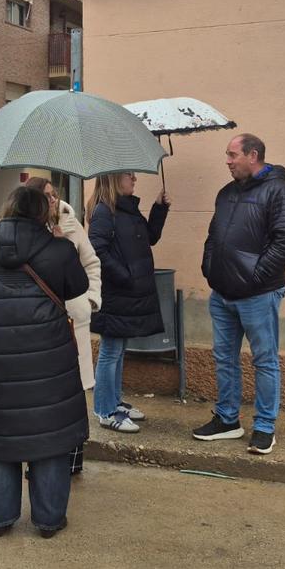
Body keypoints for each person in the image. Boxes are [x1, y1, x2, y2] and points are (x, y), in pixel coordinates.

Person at [0, 186, 89, 538]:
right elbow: (77, 287)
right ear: (42, 213)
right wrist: (66, 243)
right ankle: (48, 520)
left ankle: (0, 520)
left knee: (1, 442)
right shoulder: (59, 250)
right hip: (50, 362)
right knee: (49, 440)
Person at [194, 133, 285, 455]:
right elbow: (213, 236)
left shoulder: (281, 192)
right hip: (222, 293)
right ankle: (227, 420)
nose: (227, 161)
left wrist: (253, 278)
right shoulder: (226, 194)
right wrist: (210, 269)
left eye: (232, 155)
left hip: (258, 294)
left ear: (252, 155)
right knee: (224, 358)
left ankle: (264, 427)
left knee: (264, 361)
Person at [25, 177, 102, 474]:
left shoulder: (71, 224)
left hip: (74, 320)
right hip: (41, 324)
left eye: (55, 195)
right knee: (43, 396)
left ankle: (71, 462)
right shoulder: (26, 232)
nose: (53, 200)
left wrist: (91, 299)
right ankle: (41, 462)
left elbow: (91, 263)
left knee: (72, 395)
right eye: (46, 196)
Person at [87, 171, 169, 433]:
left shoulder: (128, 209)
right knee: (110, 352)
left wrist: (159, 208)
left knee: (119, 351)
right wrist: (125, 275)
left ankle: (115, 402)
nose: (134, 180)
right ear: (113, 180)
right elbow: (96, 249)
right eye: (129, 176)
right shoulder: (104, 212)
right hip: (115, 294)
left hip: (127, 294)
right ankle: (104, 410)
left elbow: (150, 237)